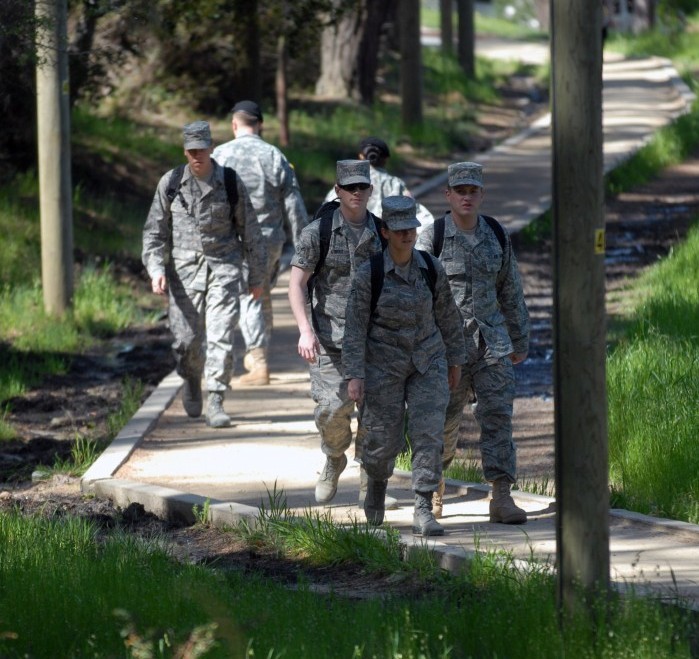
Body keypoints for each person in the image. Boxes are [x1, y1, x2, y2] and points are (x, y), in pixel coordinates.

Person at [343, 196, 465, 536]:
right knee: (382, 440)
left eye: (410, 229)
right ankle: (377, 485)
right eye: (398, 230)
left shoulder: (430, 268)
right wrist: (354, 374)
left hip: (428, 360)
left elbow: (448, 316)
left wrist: (456, 358)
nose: (406, 235)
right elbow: (354, 326)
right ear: (385, 232)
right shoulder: (371, 273)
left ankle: (423, 507)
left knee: (428, 434)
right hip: (383, 364)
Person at [416, 162, 530, 524]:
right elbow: (417, 296)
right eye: (459, 191)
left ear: (482, 195)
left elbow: (510, 289)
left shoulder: (496, 233)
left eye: (473, 191)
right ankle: (434, 486)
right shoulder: (430, 237)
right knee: (444, 422)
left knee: (498, 416)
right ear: (447, 195)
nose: (466, 197)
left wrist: (519, 338)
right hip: (447, 348)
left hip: (491, 343)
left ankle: (501, 495)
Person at [143, 120, 266, 428]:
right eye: (191, 150)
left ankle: (216, 399)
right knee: (186, 342)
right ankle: (191, 377)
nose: (197, 156)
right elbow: (154, 232)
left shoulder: (229, 182)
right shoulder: (170, 184)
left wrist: (257, 277)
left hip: (224, 271)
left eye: (202, 149)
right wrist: (156, 268)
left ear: (212, 148)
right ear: (185, 152)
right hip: (184, 276)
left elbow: (250, 231)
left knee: (222, 336)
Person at [288, 159, 387, 506]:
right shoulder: (319, 232)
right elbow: (297, 284)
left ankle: (368, 482)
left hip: (374, 341)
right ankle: (334, 458)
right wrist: (304, 331)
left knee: (376, 418)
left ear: (371, 191)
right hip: (330, 339)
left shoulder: (383, 233)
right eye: (350, 188)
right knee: (331, 411)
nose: (357, 193)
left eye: (363, 187)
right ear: (338, 191)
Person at [212, 100, 309, 386]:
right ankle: (258, 355)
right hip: (271, 240)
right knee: (261, 292)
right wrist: (306, 246)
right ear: (260, 125)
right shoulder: (274, 156)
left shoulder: (219, 155)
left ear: (234, 125)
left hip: (236, 240)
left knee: (248, 295)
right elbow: (294, 205)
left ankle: (258, 362)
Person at [323, 136, 434, 233]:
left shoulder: (345, 184)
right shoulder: (395, 184)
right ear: (386, 159)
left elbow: (326, 213)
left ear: (361, 156)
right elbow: (423, 220)